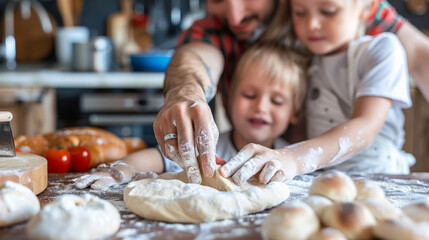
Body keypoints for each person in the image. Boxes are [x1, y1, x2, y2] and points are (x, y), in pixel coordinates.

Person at [154, 0, 429, 184]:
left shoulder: (370, 40)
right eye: (216, 0)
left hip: (372, 175)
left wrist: (292, 159)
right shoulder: (313, 58)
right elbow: (195, 57)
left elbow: (418, 55)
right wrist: (185, 92)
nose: (235, 15)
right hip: (314, 175)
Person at [75, 44, 308, 189]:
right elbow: (151, 159)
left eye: (277, 101)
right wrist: (120, 171)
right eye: (249, 95)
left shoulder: (288, 160)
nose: (261, 107)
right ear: (227, 98)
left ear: (295, 112)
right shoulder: (202, 144)